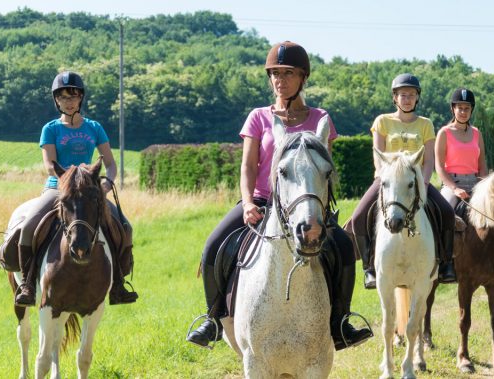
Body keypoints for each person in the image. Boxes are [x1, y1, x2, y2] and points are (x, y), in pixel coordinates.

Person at [186, 41, 372, 350]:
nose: (279, 80)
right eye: (274, 73)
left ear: (303, 78)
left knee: (340, 245)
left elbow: (325, 172)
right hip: (262, 202)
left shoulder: (320, 119)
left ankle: (341, 322)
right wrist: (247, 203)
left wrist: (320, 210)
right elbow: (247, 167)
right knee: (213, 245)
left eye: (287, 73)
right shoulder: (258, 117)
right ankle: (212, 317)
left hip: (306, 206)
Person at [14, 71, 138, 307]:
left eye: (73, 96)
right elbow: (51, 165)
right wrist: (71, 179)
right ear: (57, 100)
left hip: (91, 191)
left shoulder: (95, 127)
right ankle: (28, 284)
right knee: (29, 227)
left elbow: (110, 164)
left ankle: (119, 285)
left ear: (81, 98)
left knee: (125, 227)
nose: (69, 101)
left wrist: (107, 184)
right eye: (63, 97)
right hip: (58, 189)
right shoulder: (50, 129)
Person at [347, 73, 457, 290]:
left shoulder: (425, 124)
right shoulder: (382, 121)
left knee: (447, 212)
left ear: (417, 98)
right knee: (359, 216)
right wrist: (384, 178)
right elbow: (377, 155)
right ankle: (369, 269)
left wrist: (424, 183)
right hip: (387, 180)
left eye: (411, 95)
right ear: (395, 98)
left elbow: (428, 159)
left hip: (416, 182)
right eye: (402, 94)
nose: (407, 98)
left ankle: (446, 264)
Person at [435, 87, 494, 276]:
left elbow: (482, 165)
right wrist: (455, 189)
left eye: (467, 108)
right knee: (445, 213)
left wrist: (484, 187)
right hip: (451, 183)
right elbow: (439, 167)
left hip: (476, 182)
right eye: (459, 108)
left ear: (471, 110)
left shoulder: (476, 133)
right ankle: (445, 262)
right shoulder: (444, 133)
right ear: (453, 109)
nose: (463, 111)